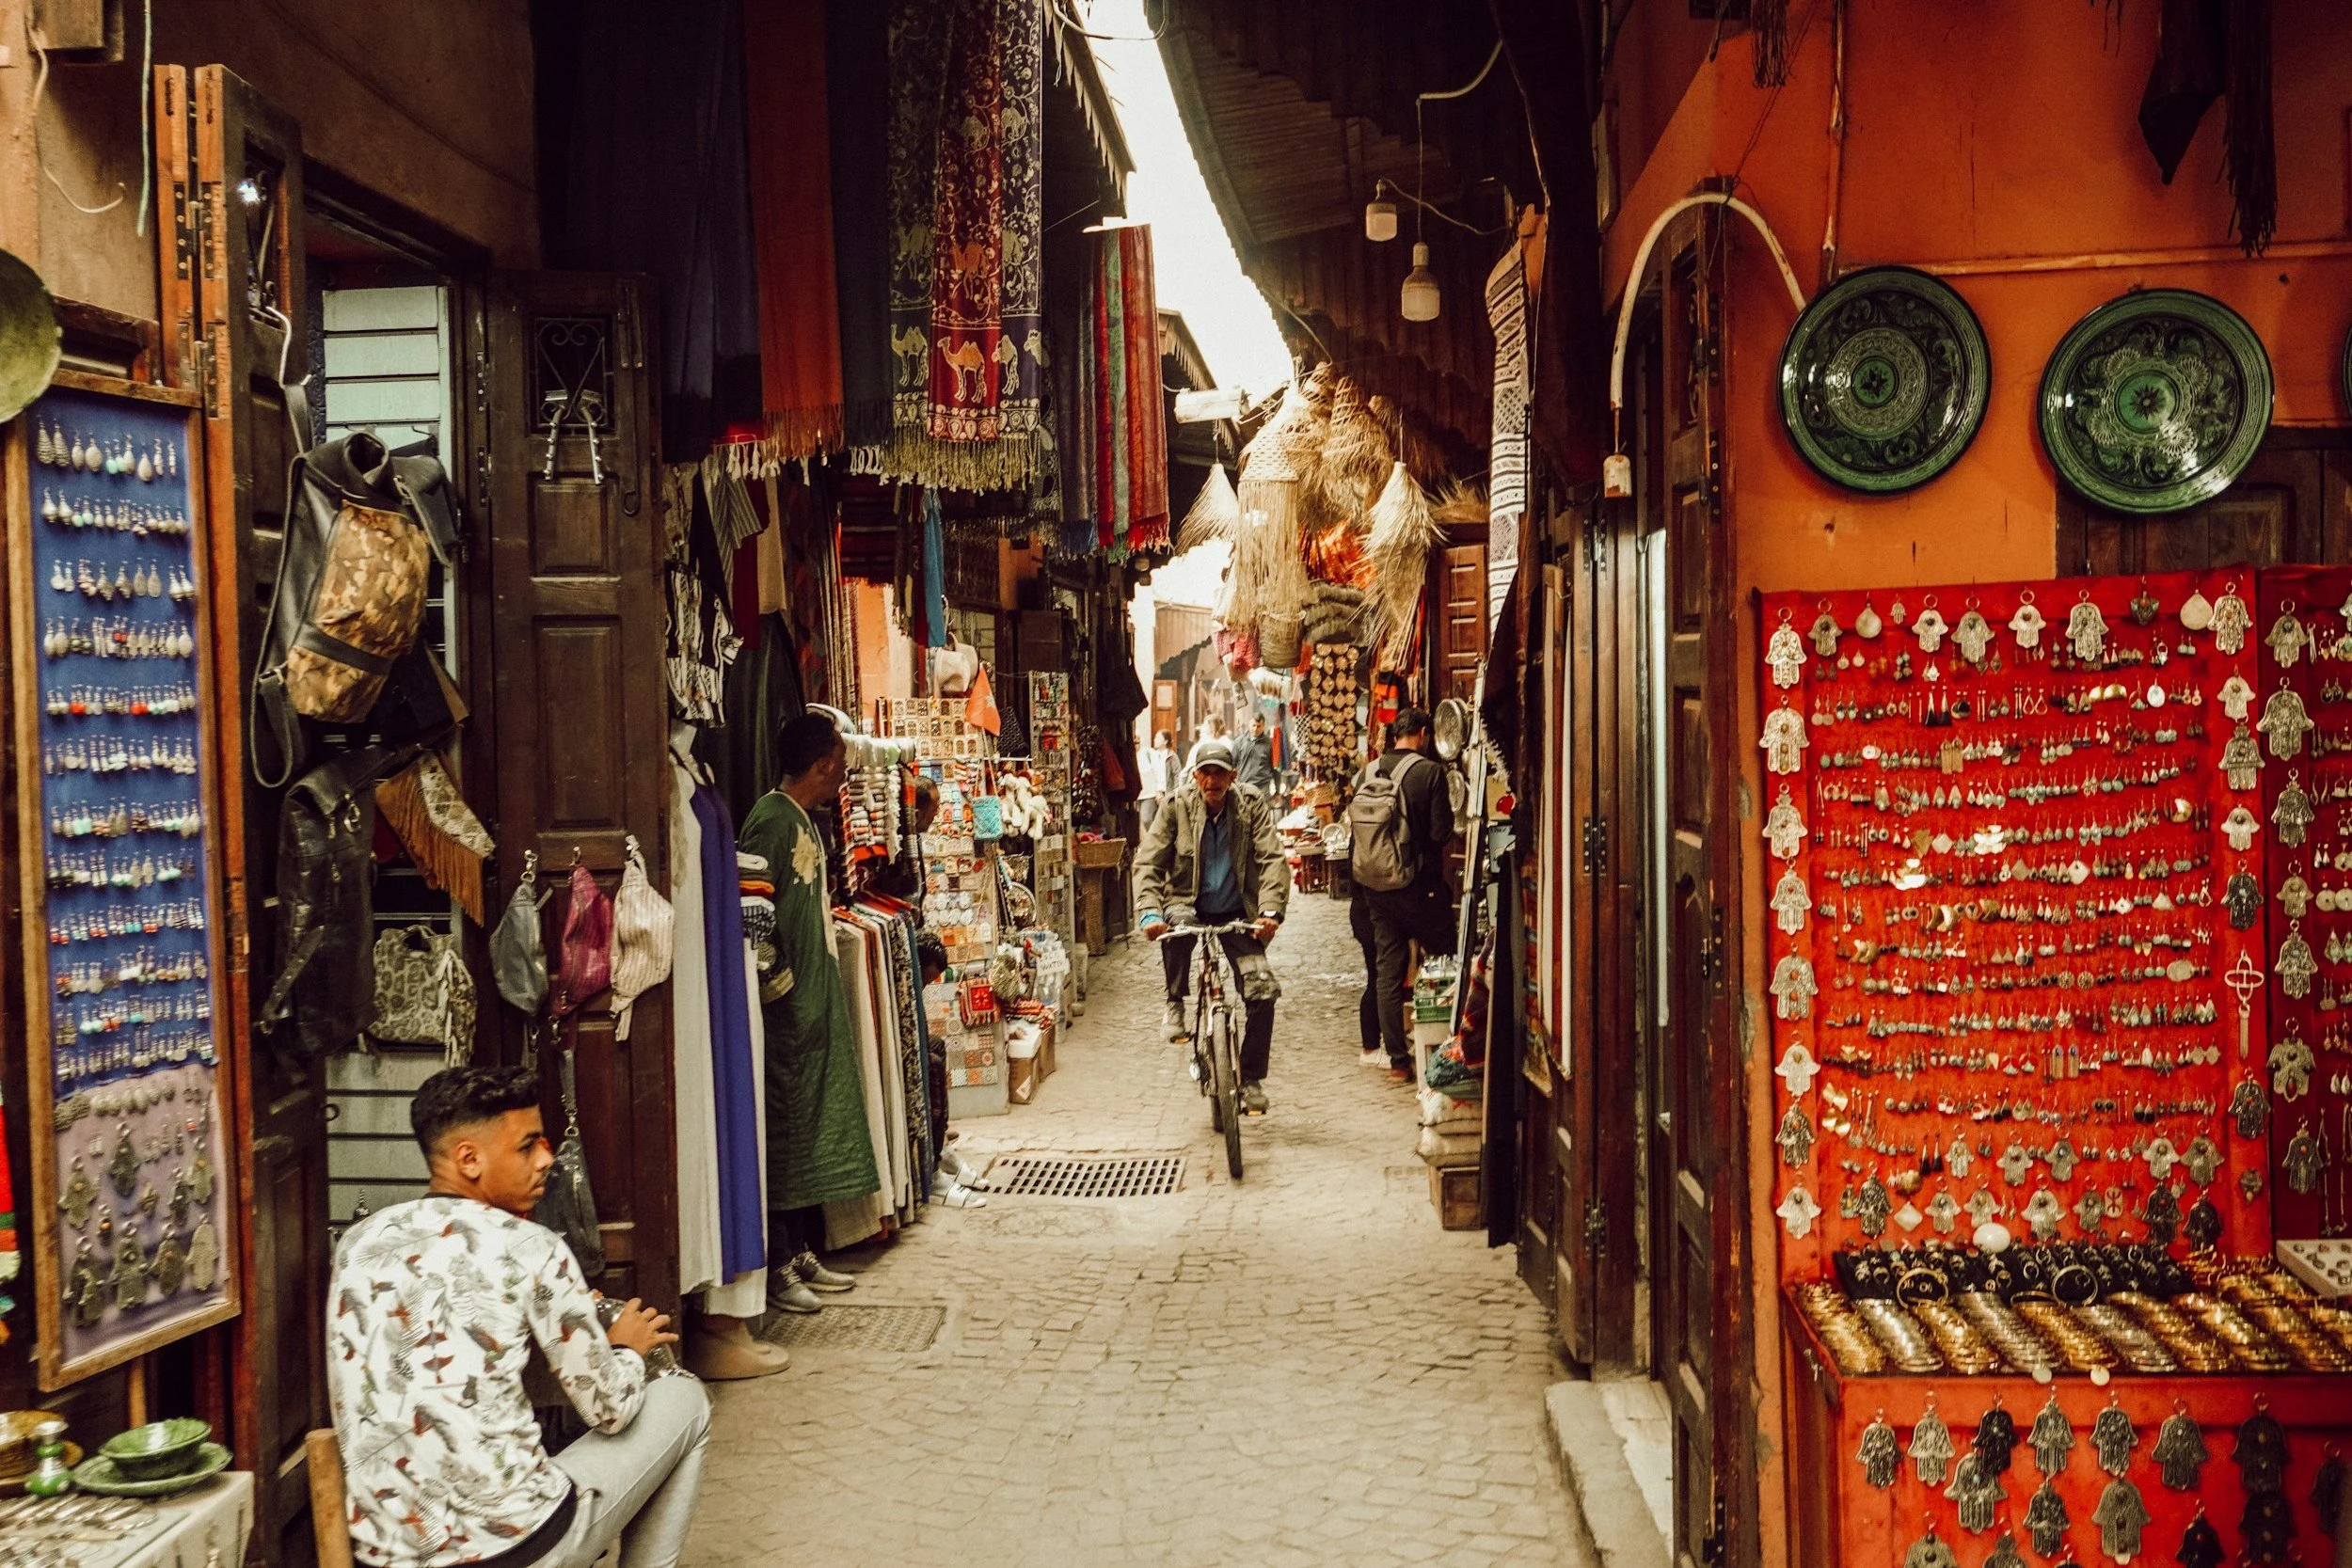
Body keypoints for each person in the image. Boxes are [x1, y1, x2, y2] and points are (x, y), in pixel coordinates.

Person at [328, 1066, 709, 1568]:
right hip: (516, 1551)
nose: (548, 1159)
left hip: (386, 1558)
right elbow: (610, 1410)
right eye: (527, 1147)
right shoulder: (532, 1246)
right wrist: (626, 1349)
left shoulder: (358, 1243)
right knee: (685, 1400)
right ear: (469, 1159)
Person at [737, 713, 880, 1314]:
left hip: (810, 1005)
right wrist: (777, 987)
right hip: (788, 1010)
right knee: (785, 1131)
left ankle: (797, 1251)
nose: (842, 777)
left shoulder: (801, 821)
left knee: (807, 1128)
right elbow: (752, 914)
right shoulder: (770, 821)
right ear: (823, 763)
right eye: (840, 766)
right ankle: (775, 1265)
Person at [1134, 738, 1288, 1114]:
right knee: (1176, 927)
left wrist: (1270, 911)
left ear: (1232, 777)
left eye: (1220, 773)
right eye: (1206, 772)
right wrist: (1150, 911)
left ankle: (1250, 1080)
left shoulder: (1251, 805)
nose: (1212, 780)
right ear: (1195, 775)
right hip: (1187, 903)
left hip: (1239, 912)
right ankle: (1174, 1003)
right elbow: (1149, 863)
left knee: (1262, 992)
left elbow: (1271, 859)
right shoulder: (1175, 807)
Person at [1359, 709, 1458, 1081]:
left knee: (1388, 970)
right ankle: (1449, 1042)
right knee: (1447, 957)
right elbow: (1439, 833)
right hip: (1420, 887)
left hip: (1376, 889)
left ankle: (1398, 1061)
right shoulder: (1430, 773)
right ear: (1422, 733)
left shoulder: (1366, 772)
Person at [1137, 729, 1181, 831]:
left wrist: (1173, 793)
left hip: (1167, 793)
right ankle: (1154, 840)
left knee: (1166, 821)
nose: (1155, 739)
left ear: (1165, 741)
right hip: (1152, 793)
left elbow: (1177, 776)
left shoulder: (1172, 756)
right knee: (1147, 818)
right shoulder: (1152, 754)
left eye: (1158, 738)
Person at [1232, 714, 1276, 794]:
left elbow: (1274, 768)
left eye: (1259, 726)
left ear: (1263, 726)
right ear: (1249, 725)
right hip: (1243, 786)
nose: (1255, 729)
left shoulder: (1270, 744)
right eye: (1253, 725)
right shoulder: (1239, 742)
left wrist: (1277, 791)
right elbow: (1232, 765)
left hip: (1262, 787)